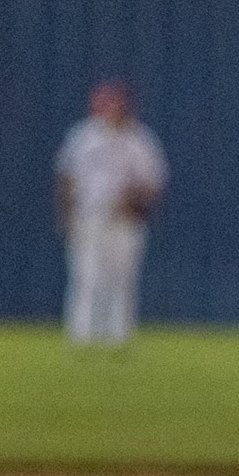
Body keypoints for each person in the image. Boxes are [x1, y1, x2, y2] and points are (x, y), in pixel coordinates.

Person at [55, 81, 168, 348]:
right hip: (89, 214)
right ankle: (82, 334)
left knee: (122, 276)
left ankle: (118, 335)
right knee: (87, 274)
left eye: (117, 104)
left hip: (125, 218)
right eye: (107, 104)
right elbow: (67, 176)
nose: (112, 110)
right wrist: (66, 214)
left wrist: (138, 204)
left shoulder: (139, 139)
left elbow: (153, 181)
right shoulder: (83, 136)